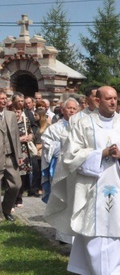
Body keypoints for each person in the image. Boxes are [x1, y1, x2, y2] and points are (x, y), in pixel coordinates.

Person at [44, 86, 120, 275]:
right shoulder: (83, 123)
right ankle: (97, 273)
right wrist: (100, 154)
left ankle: (114, 273)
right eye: (108, 98)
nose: (113, 102)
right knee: (93, 228)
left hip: (117, 181)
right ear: (97, 101)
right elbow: (70, 154)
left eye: (115, 99)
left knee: (116, 228)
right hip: (92, 183)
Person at [41, 98, 80, 242]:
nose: (71, 111)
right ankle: (62, 234)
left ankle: (75, 234)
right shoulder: (54, 128)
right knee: (62, 197)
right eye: (68, 108)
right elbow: (46, 145)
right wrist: (62, 145)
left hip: (76, 168)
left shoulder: (82, 126)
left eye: (74, 109)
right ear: (62, 110)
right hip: (59, 167)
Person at [0, 92, 23, 222]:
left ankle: (6, 209)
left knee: (16, 184)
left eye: (5, 99)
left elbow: (15, 137)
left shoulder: (11, 115)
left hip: (10, 156)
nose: (4, 101)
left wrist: (19, 155)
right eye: (1, 99)